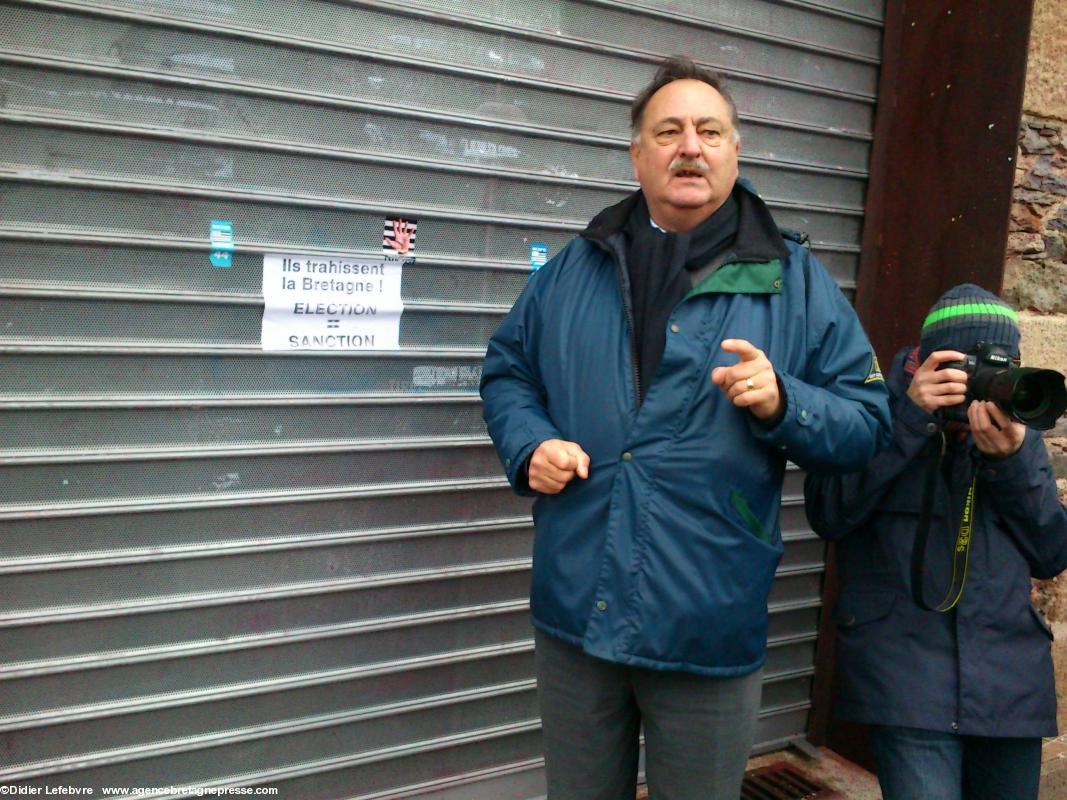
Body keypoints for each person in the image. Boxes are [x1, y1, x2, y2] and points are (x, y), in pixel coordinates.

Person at [480, 54, 891, 799]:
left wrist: (785, 402)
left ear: (735, 150)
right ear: (636, 154)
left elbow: (867, 422)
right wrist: (528, 442)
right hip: (577, 607)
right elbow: (509, 371)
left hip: (706, 616)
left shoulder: (795, 281)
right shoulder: (574, 268)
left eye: (709, 131)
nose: (690, 147)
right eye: (668, 131)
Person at [804, 284, 1067, 800]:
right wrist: (910, 422)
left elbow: (1051, 552)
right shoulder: (876, 410)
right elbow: (829, 512)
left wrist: (1011, 463)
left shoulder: (1017, 431)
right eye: (971, 366)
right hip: (907, 675)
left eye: (1004, 364)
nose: (987, 381)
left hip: (1009, 683)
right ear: (929, 361)